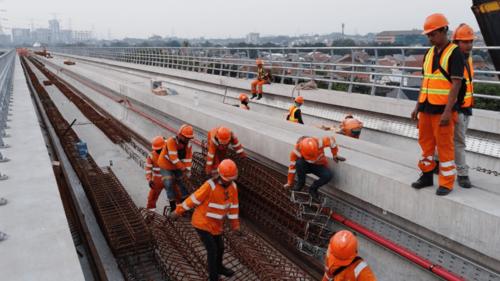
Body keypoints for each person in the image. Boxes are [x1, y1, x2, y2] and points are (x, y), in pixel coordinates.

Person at [410, 13, 464, 196]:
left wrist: (448, 112)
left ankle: (446, 183)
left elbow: (456, 83)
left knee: (444, 146)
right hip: (426, 107)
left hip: (443, 110)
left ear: (444, 31)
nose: (430, 38)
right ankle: (426, 176)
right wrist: (417, 106)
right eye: (428, 35)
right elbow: (426, 81)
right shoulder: (429, 52)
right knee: (425, 144)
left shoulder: (454, 53)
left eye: (433, 34)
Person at [170, 159, 241, 281]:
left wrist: (235, 226)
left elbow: (234, 207)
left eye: (231, 179)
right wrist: (178, 210)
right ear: (220, 175)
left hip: (216, 224)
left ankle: (219, 267)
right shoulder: (210, 185)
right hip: (202, 222)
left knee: (220, 247)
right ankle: (213, 278)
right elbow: (194, 199)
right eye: (227, 179)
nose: (229, 181)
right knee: (212, 249)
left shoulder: (233, 187)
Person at [451, 23, 476, 189]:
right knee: (459, 141)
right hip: (456, 107)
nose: (469, 45)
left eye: (470, 41)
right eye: (465, 42)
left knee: (454, 140)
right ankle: (462, 173)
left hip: (466, 106)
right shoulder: (454, 58)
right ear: (456, 42)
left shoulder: (469, 58)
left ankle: (438, 162)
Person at [285, 136, 345, 201]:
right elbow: (292, 168)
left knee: (328, 175)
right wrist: (289, 183)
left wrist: (335, 154)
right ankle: (300, 184)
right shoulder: (296, 151)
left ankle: (313, 189)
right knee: (299, 163)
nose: (312, 159)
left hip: (318, 165)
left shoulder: (319, 142)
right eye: (309, 156)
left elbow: (332, 141)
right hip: (305, 166)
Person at [158, 124, 194, 212]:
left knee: (183, 183)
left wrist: (188, 170)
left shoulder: (188, 145)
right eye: (186, 137)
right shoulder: (171, 141)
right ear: (180, 135)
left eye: (189, 138)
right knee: (169, 183)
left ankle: (184, 205)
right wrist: (183, 169)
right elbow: (173, 158)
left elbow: (188, 158)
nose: (187, 140)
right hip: (165, 165)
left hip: (177, 166)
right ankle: (173, 207)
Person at [145, 136, 166, 211]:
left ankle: (178, 211)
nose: (158, 151)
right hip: (157, 179)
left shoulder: (169, 153)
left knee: (177, 195)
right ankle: (151, 211)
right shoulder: (152, 155)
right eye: (156, 150)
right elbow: (148, 168)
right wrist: (149, 179)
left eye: (159, 149)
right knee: (152, 197)